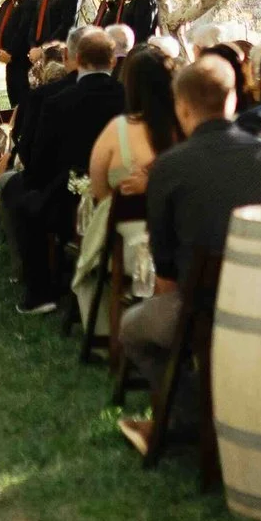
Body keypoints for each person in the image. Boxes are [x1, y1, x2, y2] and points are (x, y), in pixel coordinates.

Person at [118, 57, 261, 444]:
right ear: (233, 98)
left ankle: (191, 413)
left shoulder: (170, 168)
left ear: (182, 108)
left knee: (132, 328)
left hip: (201, 307)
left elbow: (166, 269)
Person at [1, 26, 126, 314]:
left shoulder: (57, 102)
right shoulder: (128, 98)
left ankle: (39, 291)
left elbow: (38, 163)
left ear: (73, 57)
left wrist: (32, 181)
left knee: (22, 198)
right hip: (121, 195)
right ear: (113, 61)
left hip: (67, 199)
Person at [73, 45, 181, 325]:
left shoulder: (117, 131)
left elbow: (100, 193)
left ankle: (110, 329)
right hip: (182, 237)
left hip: (133, 244)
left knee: (97, 245)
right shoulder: (184, 130)